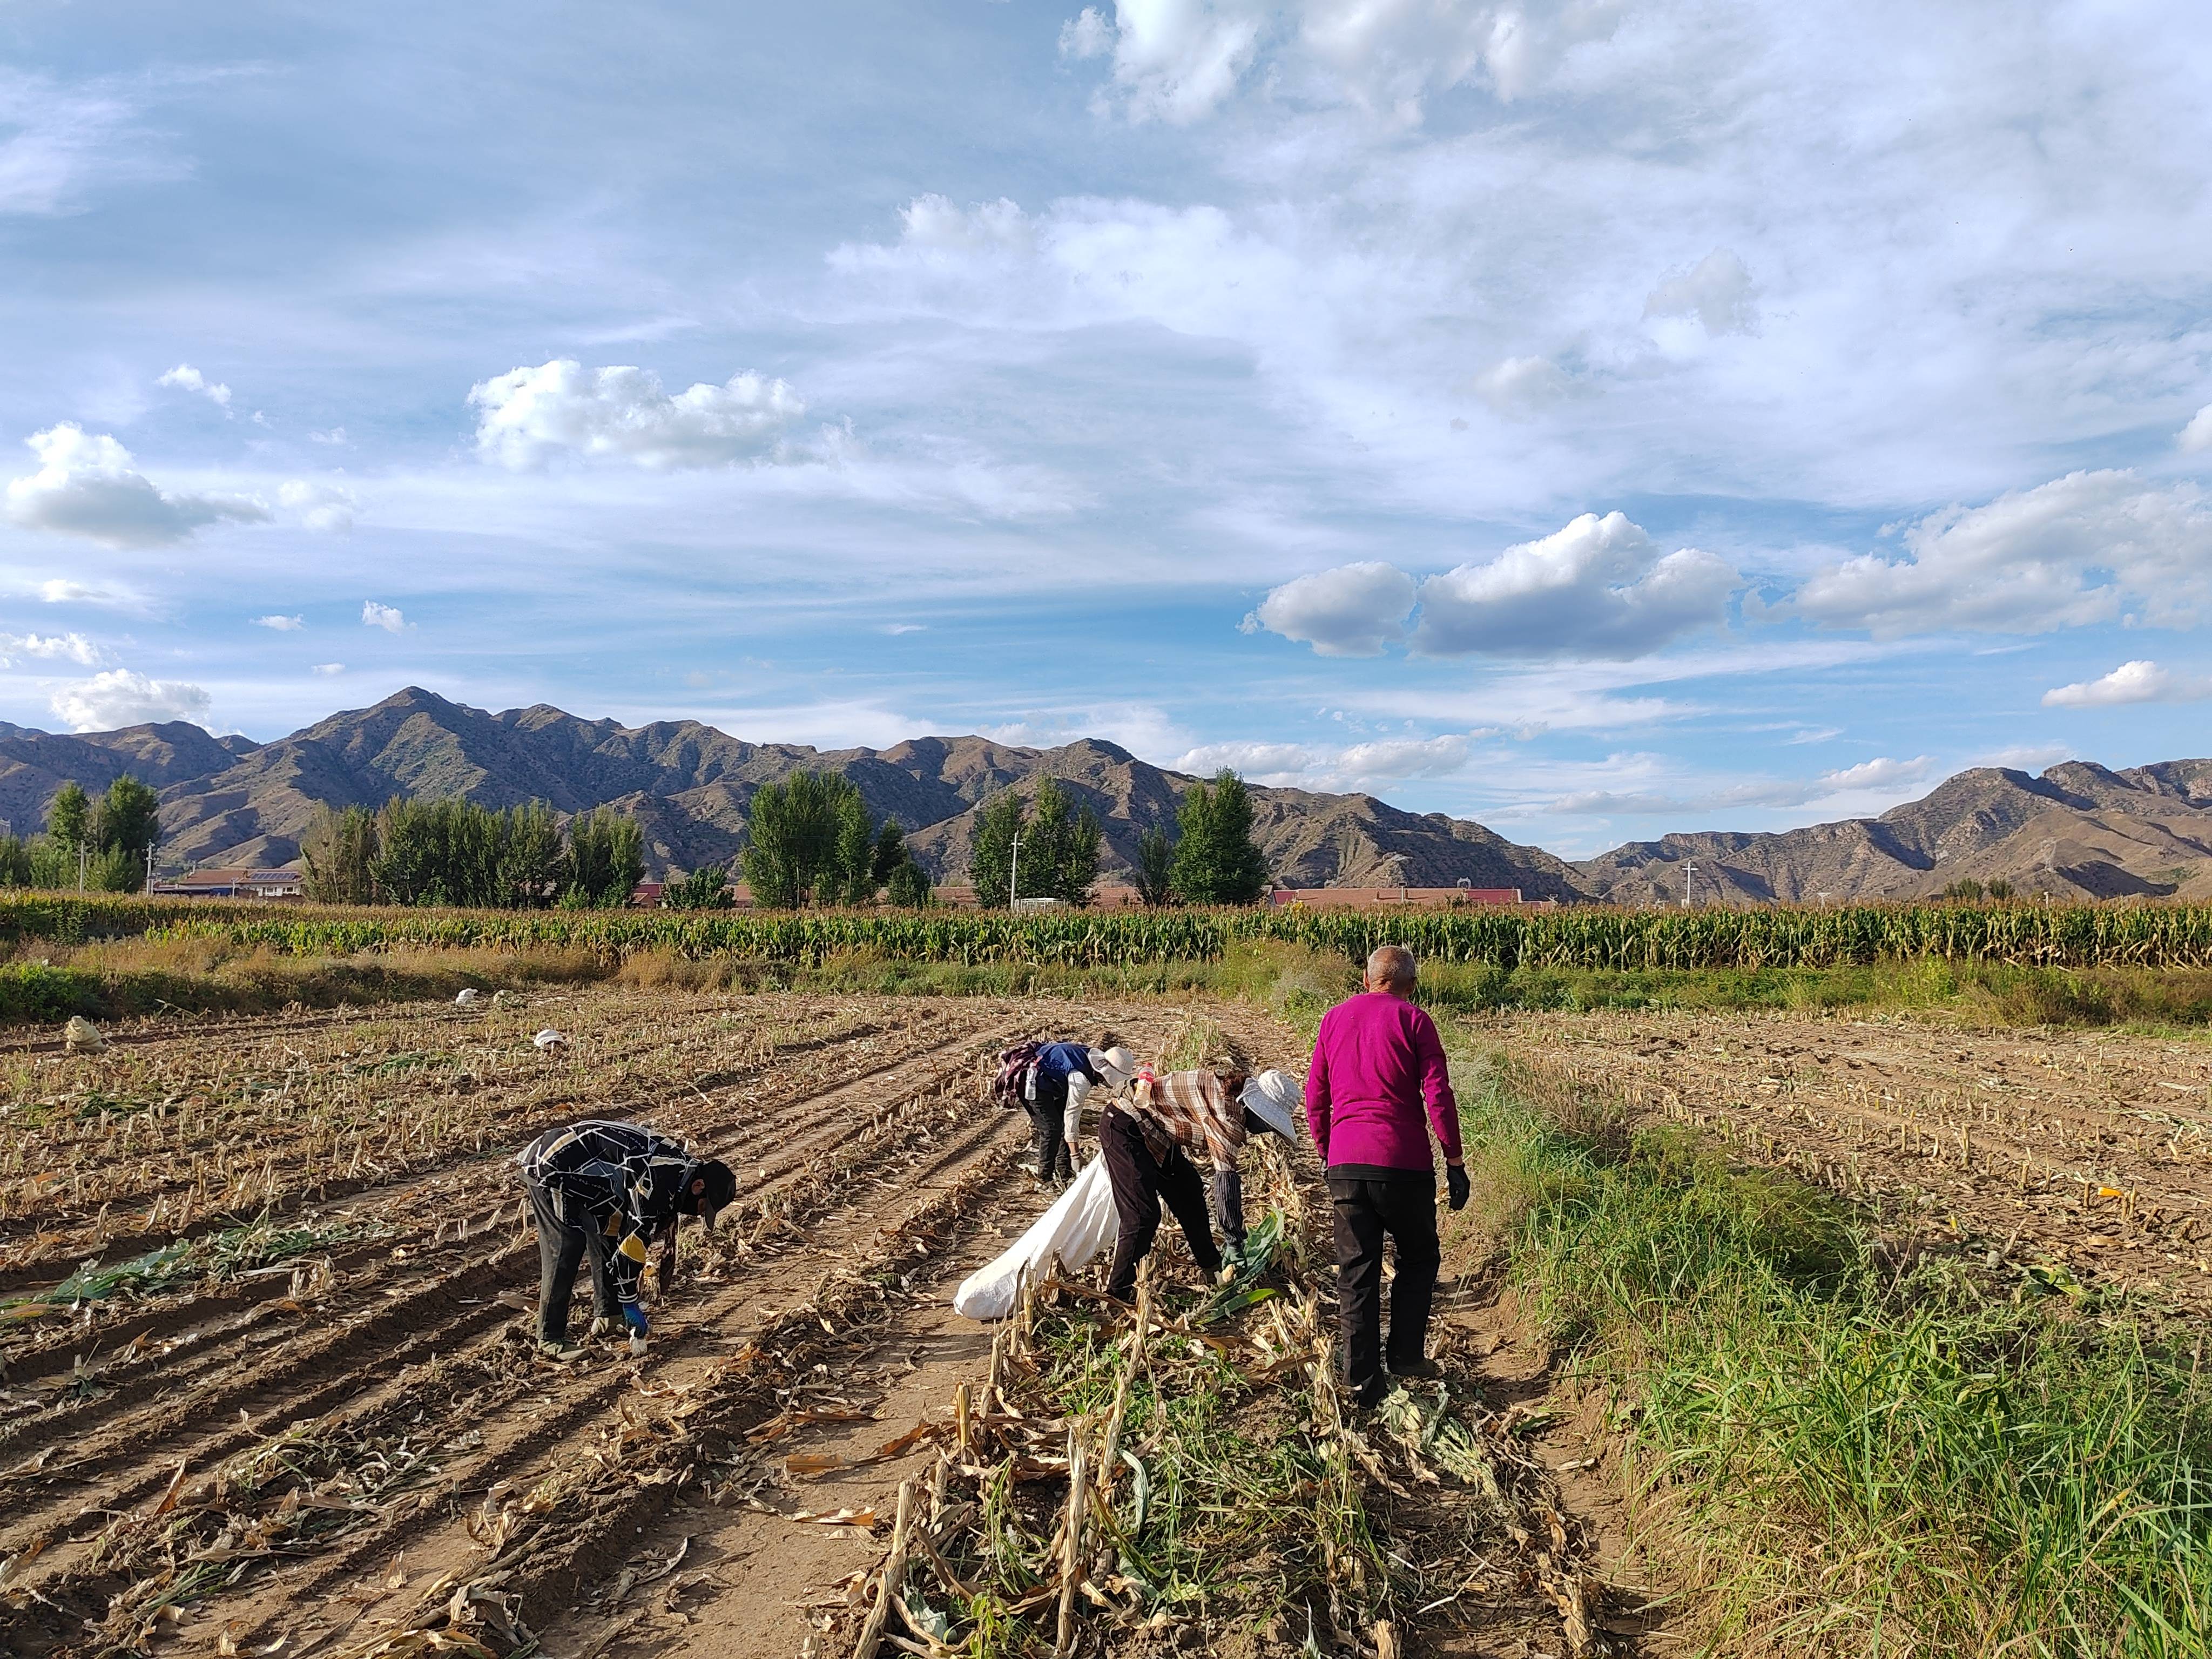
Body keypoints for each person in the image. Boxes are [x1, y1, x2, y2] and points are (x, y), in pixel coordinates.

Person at [1305, 945, 1466, 1408]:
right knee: (1418, 1258)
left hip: (1347, 1163)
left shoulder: (1334, 1019)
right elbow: (1438, 1095)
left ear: (1366, 979)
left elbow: (1317, 1093)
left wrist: (1326, 1151)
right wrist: (1454, 1162)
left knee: (1357, 1273)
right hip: (1404, 1164)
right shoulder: (1416, 1021)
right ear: (1411, 985)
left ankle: (1360, 1379)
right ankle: (1405, 1354)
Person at [516, 1118, 737, 1358]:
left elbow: (625, 1232)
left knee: (609, 1229)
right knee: (567, 1245)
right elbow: (633, 1244)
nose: (699, 1212)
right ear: (699, 1186)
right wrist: (630, 1302)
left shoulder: (678, 1171)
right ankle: (549, 1338)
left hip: (584, 1173)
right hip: (553, 1165)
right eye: (703, 1206)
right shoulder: (660, 1180)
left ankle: (608, 1315)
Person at [1100, 1041, 1300, 1304]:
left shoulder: (1234, 1091)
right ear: (1256, 1109)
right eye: (1268, 1124)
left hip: (1158, 1134)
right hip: (1125, 1126)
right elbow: (1226, 1181)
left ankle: (1212, 1267)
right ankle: (1117, 1295)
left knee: (1189, 1191)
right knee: (1142, 1216)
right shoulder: (1228, 1115)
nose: (1266, 1130)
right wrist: (1234, 1240)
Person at [1022, 1037, 1137, 1189]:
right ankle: (1044, 1181)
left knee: (1061, 1126)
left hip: (1053, 1079)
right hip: (1032, 1081)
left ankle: (1065, 1173)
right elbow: (1073, 1115)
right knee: (1052, 1129)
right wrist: (1076, 1155)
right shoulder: (1081, 1078)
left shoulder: (1089, 1060)